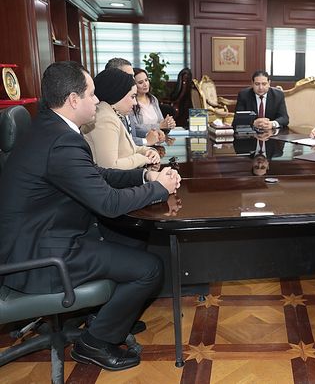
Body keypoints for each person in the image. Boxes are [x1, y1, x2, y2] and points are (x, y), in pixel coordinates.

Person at [0, 61, 181, 371]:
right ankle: (95, 343)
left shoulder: (49, 127)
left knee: (132, 241)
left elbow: (95, 174)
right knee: (149, 268)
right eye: (92, 94)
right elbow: (107, 202)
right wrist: (159, 189)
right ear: (74, 99)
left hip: (37, 236)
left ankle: (108, 317)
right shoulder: (61, 140)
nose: (98, 100)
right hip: (39, 258)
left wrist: (144, 177)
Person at [82, 68, 161, 170]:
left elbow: (130, 149)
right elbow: (109, 166)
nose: (135, 103)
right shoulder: (105, 119)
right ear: (118, 94)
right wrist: (143, 159)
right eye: (132, 96)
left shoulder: (111, 113)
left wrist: (149, 151)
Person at [105, 58, 164, 146]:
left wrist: (153, 134)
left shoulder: (127, 101)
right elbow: (122, 143)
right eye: (130, 77)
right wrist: (146, 141)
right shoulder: (108, 108)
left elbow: (132, 133)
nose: (133, 81)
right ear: (114, 79)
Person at [133, 67, 176, 136]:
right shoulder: (131, 102)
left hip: (157, 139)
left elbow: (161, 122)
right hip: (142, 140)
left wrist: (168, 124)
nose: (145, 84)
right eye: (140, 82)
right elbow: (135, 128)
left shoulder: (153, 99)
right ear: (133, 85)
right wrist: (159, 126)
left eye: (146, 80)